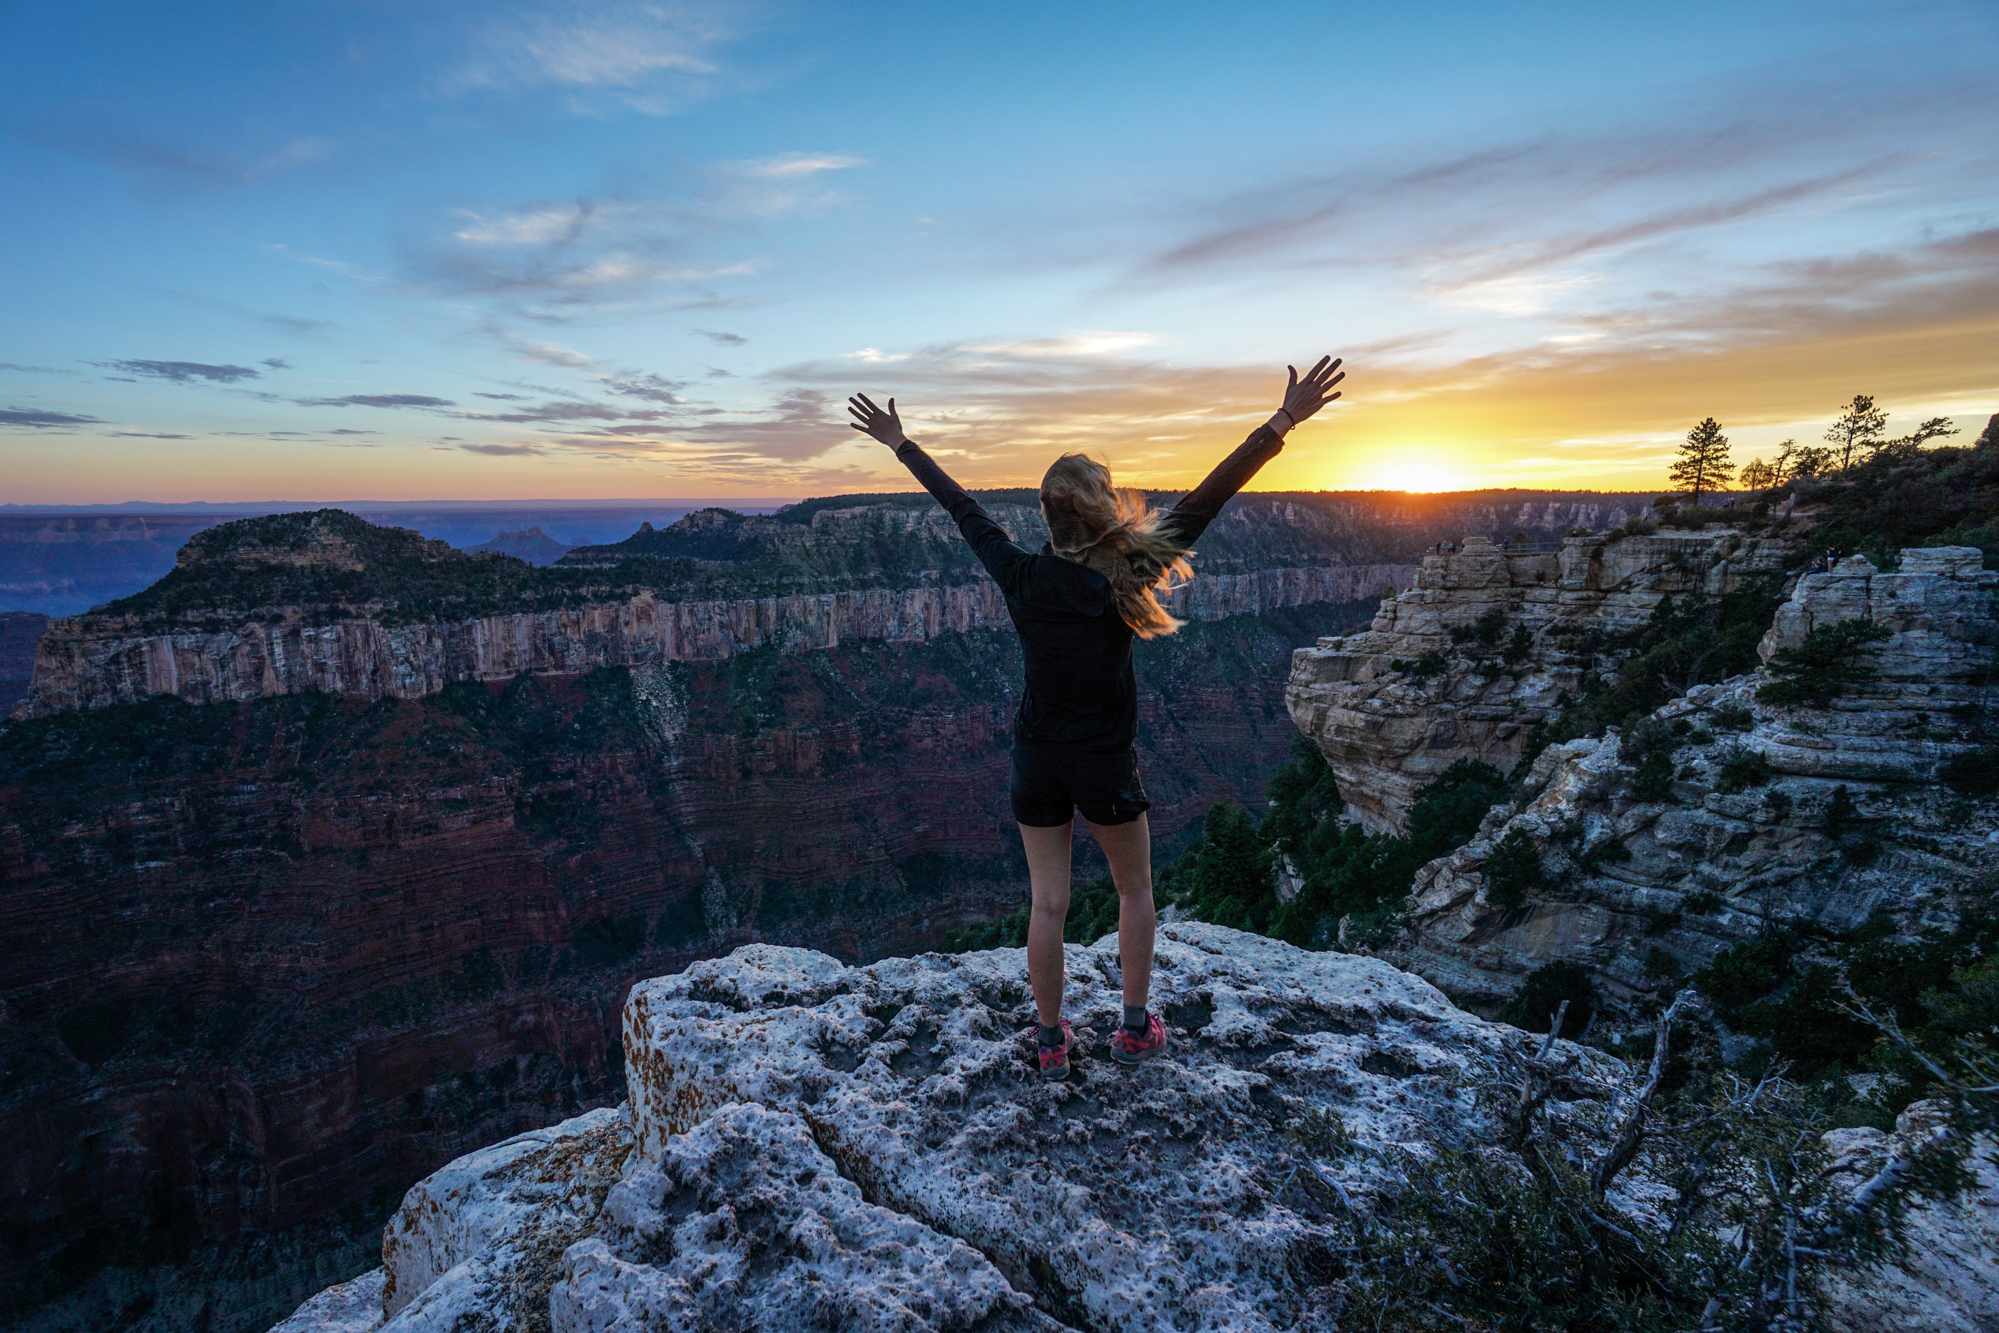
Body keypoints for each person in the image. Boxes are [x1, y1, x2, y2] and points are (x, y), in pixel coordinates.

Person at [847, 355, 1346, 1081]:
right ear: (1102, 506)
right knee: (1133, 890)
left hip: (1036, 759)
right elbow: (1211, 496)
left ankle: (1049, 1039)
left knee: (1045, 903)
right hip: (1105, 762)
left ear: (1044, 516)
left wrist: (900, 442)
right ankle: (1135, 1028)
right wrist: (1283, 420)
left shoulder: (1017, 574)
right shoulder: (1128, 572)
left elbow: (963, 510)